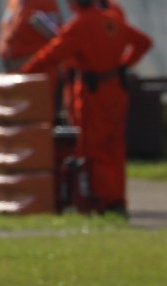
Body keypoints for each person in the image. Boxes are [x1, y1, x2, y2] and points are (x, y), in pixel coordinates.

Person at [21, 0, 152, 216]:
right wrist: (124, 64)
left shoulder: (79, 25)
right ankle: (118, 198)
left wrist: (25, 73)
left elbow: (52, 54)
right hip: (116, 90)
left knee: (94, 149)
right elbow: (143, 42)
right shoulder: (112, 20)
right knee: (115, 148)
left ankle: (106, 200)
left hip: (92, 93)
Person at [0, 0, 62, 72]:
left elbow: (57, 37)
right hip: (13, 70)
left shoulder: (45, 2)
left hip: (38, 72)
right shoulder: (14, 2)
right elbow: (6, 24)